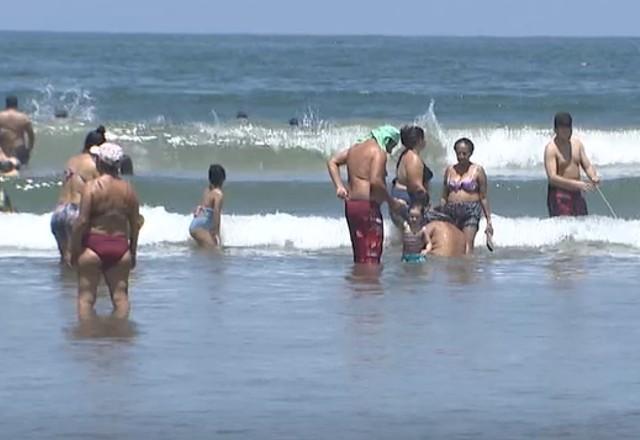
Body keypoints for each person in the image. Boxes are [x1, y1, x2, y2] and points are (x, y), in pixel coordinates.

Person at [69, 143, 140, 320]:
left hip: (94, 244)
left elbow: (82, 221)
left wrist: (74, 248)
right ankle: (119, 332)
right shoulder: (129, 190)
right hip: (120, 246)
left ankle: (87, 334)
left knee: (86, 298)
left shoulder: (91, 187)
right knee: (120, 297)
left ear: (100, 162)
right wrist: (132, 251)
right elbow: (135, 223)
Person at [327, 125, 402, 264]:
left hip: (352, 206)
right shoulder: (378, 152)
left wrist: (339, 186)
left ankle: (359, 283)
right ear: (387, 140)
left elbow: (332, 161)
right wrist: (392, 202)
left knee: (360, 252)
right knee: (372, 254)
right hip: (368, 207)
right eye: (392, 146)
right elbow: (376, 181)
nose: (390, 151)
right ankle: (369, 284)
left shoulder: (354, 149)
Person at [50, 127, 106, 262]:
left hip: (58, 212)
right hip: (76, 211)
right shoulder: (95, 164)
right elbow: (102, 190)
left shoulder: (71, 160)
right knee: (78, 260)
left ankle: (65, 283)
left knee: (65, 259)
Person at [439, 137, 493, 254]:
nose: (461, 156)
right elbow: (444, 195)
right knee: (454, 244)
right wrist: (441, 213)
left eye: (464, 153)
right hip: (450, 210)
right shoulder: (449, 170)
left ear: (470, 153)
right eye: (458, 153)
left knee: (468, 245)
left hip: (471, 211)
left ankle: (468, 271)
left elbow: (483, 197)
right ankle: (456, 270)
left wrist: (489, 220)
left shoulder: (478, 170)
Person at [544, 112, 599, 217]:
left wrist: (593, 176)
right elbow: (552, 178)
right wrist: (577, 184)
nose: (566, 132)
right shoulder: (551, 149)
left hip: (577, 193)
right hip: (559, 194)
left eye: (568, 128)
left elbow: (587, 165)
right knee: (564, 230)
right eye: (563, 129)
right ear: (556, 130)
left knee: (582, 225)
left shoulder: (577, 144)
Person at [390, 125, 434, 227]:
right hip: (406, 203)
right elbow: (416, 186)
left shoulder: (404, 155)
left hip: (398, 199)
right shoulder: (414, 159)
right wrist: (427, 205)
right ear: (419, 140)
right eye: (423, 138)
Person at [189, 164, 225, 248]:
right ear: (222, 179)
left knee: (205, 252)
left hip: (195, 224)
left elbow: (202, 207)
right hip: (200, 227)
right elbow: (216, 213)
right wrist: (217, 233)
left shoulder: (207, 190)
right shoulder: (218, 194)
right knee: (215, 250)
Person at [0, 96, 35, 166]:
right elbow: (31, 136)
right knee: (21, 171)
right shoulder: (24, 118)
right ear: (16, 105)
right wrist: (29, 149)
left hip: (4, 149)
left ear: (6, 104)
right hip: (19, 148)